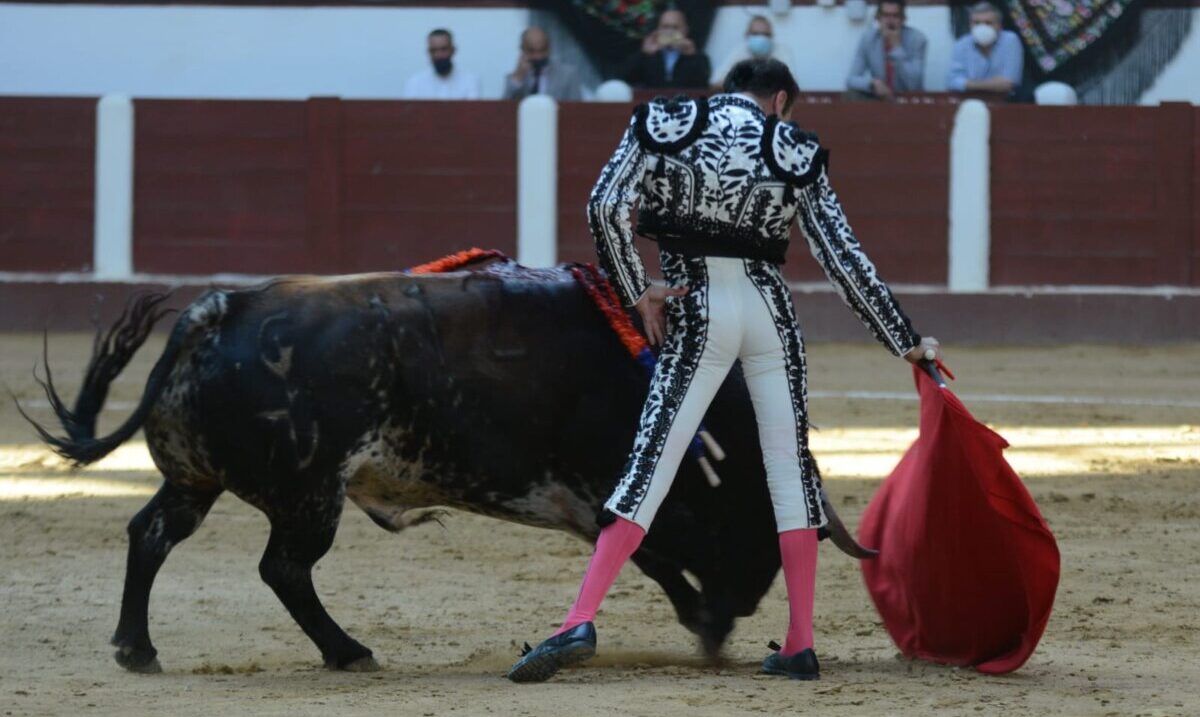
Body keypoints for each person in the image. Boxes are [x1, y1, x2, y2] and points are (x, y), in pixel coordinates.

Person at [507, 58, 941, 684]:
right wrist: (907, 343)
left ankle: (579, 616)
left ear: (730, 92)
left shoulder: (665, 121)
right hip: (770, 313)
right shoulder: (794, 147)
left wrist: (639, 291)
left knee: (652, 462)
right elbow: (845, 258)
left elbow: (604, 207)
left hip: (695, 304)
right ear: (781, 100)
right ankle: (800, 642)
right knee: (789, 475)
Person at [846, 0, 927, 99]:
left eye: (895, 16)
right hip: (880, 97)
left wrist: (896, 47)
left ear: (903, 19)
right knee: (850, 95)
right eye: (886, 15)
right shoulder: (869, 39)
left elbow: (914, 85)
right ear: (878, 19)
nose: (890, 21)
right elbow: (851, 79)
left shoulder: (917, 39)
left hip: (908, 99)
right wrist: (872, 84)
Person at [619, 8, 711, 90]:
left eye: (675, 27)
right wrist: (643, 54)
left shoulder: (698, 57)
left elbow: (703, 85)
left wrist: (692, 57)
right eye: (665, 27)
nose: (670, 32)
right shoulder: (648, 54)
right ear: (658, 29)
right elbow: (624, 79)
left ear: (685, 30)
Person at [947, 2, 1024, 97]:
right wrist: (992, 84)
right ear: (970, 25)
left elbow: (1008, 84)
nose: (982, 27)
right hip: (970, 100)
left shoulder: (1010, 40)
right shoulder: (962, 44)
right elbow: (952, 82)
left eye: (988, 23)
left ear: (999, 26)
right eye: (976, 23)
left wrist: (969, 83)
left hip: (1004, 101)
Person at [710, 14, 796, 90]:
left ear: (772, 37)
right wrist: (742, 84)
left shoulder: (781, 52)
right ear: (747, 35)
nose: (761, 38)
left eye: (765, 34)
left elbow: (792, 85)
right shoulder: (740, 52)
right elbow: (715, 82)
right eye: (756, 34)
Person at [503, 26, 583, 101]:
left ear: (549, 48)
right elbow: (504, 109)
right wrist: (518, 77)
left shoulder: (568, 75)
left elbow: (577, 110)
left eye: (542, 50)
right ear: (522, 50)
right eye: (531, 51)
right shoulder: (516, 79)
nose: (538, 56)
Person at [403, 28, 482, 100]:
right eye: (434, 50)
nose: (438, 55)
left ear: (453, 50)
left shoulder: (470, 81)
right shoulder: (415, 83)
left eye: (443, 49)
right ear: (428, 52)